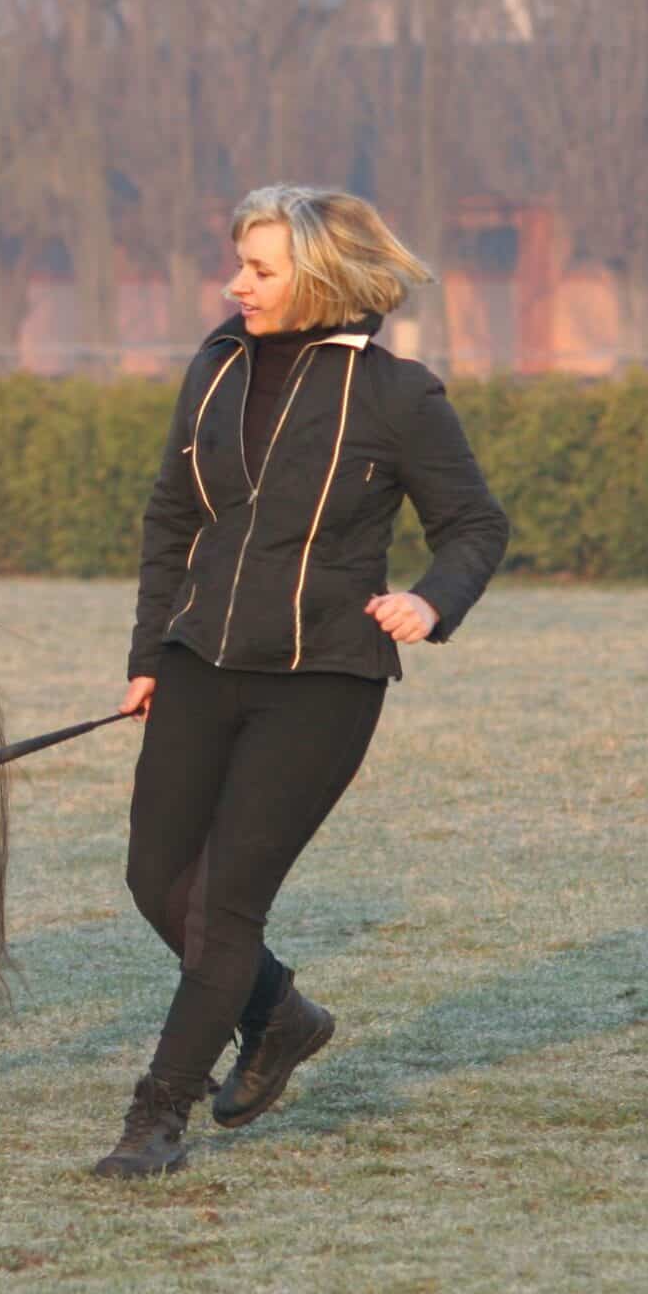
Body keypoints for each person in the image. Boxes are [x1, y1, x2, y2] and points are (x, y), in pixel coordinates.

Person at [94, 184, 509, 1179]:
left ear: (318, 278)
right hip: (199, 664)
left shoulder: (400, 396)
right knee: (156, 881)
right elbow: (169, 521)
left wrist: (430, 601)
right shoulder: (214, 366)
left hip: (323, 677)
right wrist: (149, 656)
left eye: (261, 269)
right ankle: (279, 1015)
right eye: (239, 262)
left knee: (226, 905)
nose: (236, 283)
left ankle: (157, 1115)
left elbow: (474, 526)